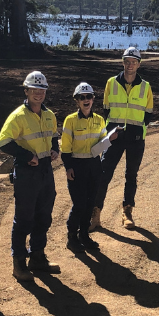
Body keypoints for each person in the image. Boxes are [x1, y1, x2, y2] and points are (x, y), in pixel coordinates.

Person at [0, 71, 61, 281]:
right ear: (26, 91)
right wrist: (26, 156)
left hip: (45, 170)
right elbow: (4, 141)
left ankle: (38, 257)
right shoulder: (18, 116)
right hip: (27, 171)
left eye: (41, 90)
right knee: (24, 218)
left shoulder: (49, 115)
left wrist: (54, 150)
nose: (38, 94)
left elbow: (53, 136)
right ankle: (19, 264)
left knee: (44, 216)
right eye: (34, 90)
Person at [91, 46, 154, 230]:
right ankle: (95, 213)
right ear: (123, 63)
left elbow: (148, 113)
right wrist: (112, 129)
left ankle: (127, 212)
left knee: (131, 175)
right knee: (104, 173)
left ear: (138, 64)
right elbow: (106, 109)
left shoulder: (146, 86)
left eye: (134, 62)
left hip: (135, 137)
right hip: (114, 136)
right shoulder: (111, 82)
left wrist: (138, 128)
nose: (130, 65)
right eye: (127, 61)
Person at [61, 82, 118, 253]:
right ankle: (72, 237)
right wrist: (68, 168)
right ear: (76, 100)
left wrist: (110, 139)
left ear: (93, 99)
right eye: (82, 97)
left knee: (90, 203)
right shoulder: (70, 120)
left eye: (89, 97)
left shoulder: (100, 120)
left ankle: (84, 235)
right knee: (79, 204)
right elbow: (65, 148)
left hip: (94, 165)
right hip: (77, 165)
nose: (86, 100)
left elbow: (101, 145)